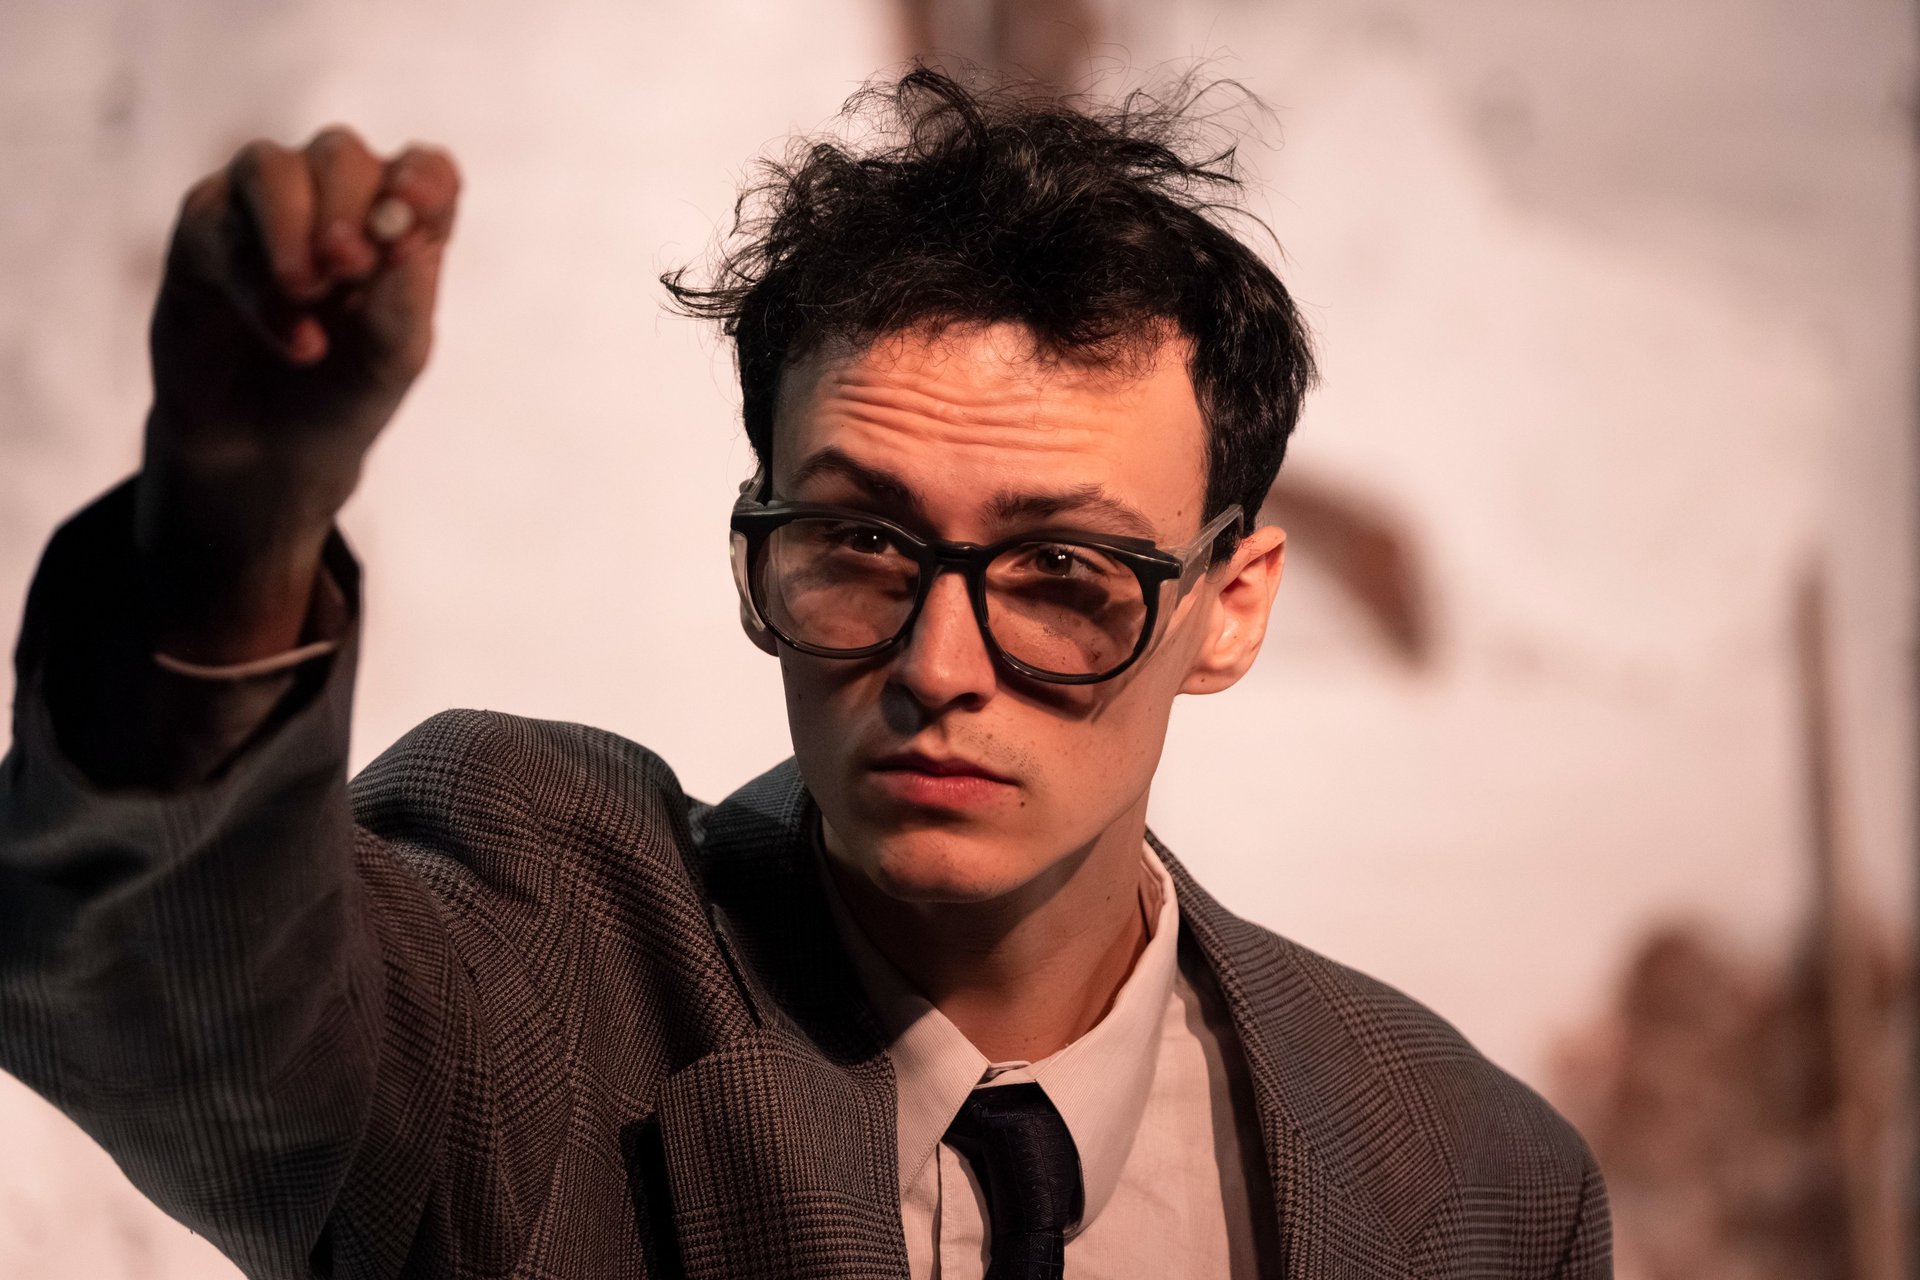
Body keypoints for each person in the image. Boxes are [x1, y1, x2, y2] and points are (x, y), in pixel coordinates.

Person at [0, 68, 1610, 1279]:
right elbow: (170, 1002)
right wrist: (228, 535)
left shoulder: (1478, 1187)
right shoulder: (547, 960)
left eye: (1062, 576)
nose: (937, 663)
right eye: (858, 546)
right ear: (750, 552)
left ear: (1232, 606)